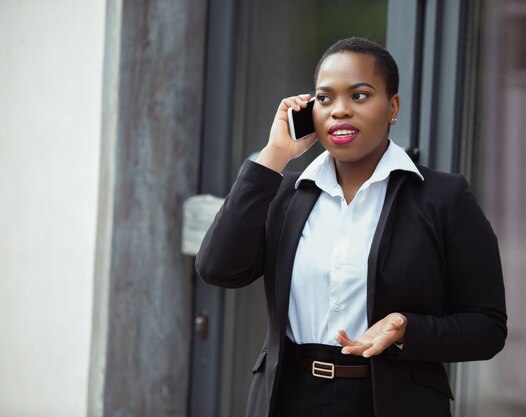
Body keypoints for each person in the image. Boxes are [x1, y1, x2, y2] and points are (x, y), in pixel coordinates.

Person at [195, 37, 507, 417]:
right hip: (288, 399)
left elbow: (487, 328)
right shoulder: (286, 194)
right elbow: (217, 268)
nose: (339, 111)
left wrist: (406, 328)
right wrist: (274, 156)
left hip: (391, 403)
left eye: (359, 96)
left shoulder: (443, 197)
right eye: (325, 99)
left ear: (392, 106)